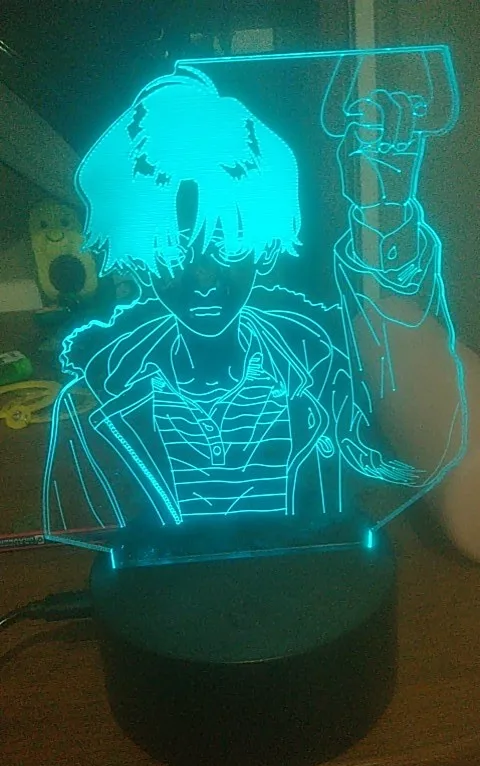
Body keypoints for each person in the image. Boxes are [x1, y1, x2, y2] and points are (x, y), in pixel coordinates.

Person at [43, 67, 440, 542]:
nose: (204, 280)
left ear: (262, 245)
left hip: (311, 581)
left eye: (227, 247)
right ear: (141, 258)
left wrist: (389, 218)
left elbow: (413, 409)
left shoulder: (321, 367)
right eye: (174, 254)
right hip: (166, 589)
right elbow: (86, 545)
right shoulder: (97, 397)